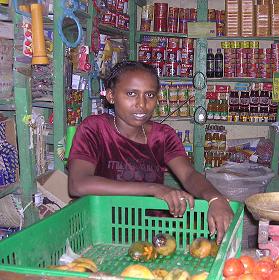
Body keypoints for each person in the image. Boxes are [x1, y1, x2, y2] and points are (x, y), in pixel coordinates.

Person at [68, 61, 233, 244]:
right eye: (131, 94)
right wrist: (154, 188)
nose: (142, 104)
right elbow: (78, 184)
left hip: (150, 232)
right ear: (111, 96)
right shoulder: (94, 129)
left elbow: (188, 175)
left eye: (150, 95)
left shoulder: (163, 136)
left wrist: (214, 197)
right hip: (101, 230)